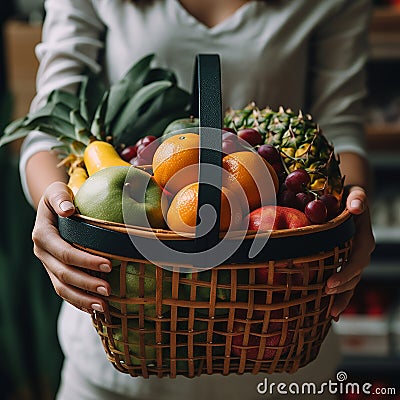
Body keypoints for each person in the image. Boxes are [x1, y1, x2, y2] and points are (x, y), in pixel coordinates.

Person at [18, 0, 375, 399]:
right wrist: (57, 209)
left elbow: (341, 124)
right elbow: (48, 125)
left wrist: (352, 208)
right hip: (117, 353)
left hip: (280, 351)